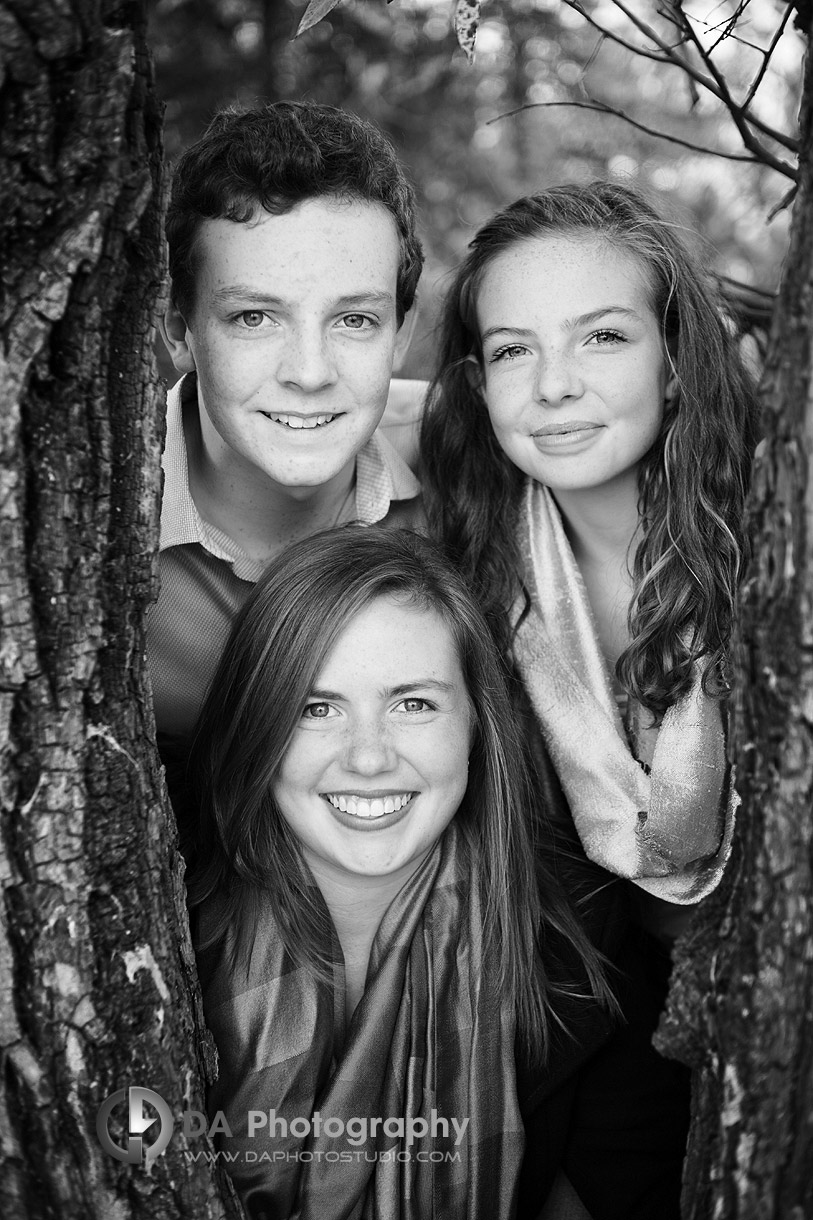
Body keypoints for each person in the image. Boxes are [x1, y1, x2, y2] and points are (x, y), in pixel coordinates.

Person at [186, 526, 689, 1220]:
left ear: (477, 723)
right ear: (256, 723)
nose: (368, 758)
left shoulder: (587, 937)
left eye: (412, 703)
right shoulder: (158, 917)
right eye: (316, 707)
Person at [420, 182, 759, 907]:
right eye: (513, 351)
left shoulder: (773, 542)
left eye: (602, 336)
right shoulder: (479, 571)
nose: (552, 386)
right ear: (479, 387)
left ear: (673, 364)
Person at [149, 100, 426, 747]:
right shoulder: (74, 518)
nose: (309, 372)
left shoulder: (470, 462)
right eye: (254, 317)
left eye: (354, 320)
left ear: (400, 335)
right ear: (177, 329)